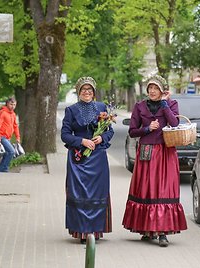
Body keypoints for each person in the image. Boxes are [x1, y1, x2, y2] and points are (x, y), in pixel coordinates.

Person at [122, 74, 187, 247]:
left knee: (163, 191)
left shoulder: (171, 104)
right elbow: (132, 131)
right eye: (150, 88)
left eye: (155, 88)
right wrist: (147, 128)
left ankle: (163, 232)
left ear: (162, 90)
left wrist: (165, 104)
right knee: (146, 190)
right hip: (146, 153)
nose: (152, 91)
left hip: (165, 154)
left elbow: (174, 124)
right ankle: (146, 229)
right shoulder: (139, 106)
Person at [61, 77, 114, 243]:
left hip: (98, 158)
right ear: (78, 92)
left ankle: (96, 230)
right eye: (83, 90)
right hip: (79, 159)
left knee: (98, 192)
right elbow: (65, 135)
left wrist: (101, 138)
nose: (87, 92)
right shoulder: (71, 110)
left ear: (94, 92)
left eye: (89, 90)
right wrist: (82, 141)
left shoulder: (101, 107)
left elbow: (109, 131)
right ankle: (81, 231)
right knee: (80, 192)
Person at [0, 97, 21, 172]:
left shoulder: (13, 114)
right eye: (11, 104)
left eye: (14, 105)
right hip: (2, 137)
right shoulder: (3, 112)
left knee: (7, 153)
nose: (13, 106)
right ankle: (5, 169)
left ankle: (0, 170)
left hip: (7, 137)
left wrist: (18, 137)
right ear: (7, 104)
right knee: (11, 151)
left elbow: (15, 126)